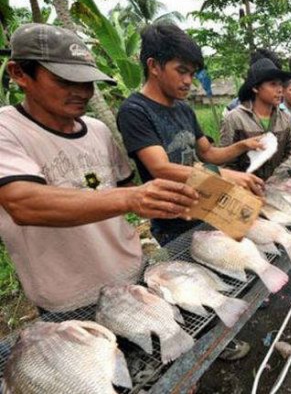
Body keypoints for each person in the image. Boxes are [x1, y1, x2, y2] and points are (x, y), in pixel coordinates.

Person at [0, 23, 199, 314]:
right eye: (65, 80)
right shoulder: (8, 129)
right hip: (70, 298)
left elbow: (123, 195)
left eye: (87, 82)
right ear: (19, 74)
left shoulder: (97, 130)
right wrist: (134, 198)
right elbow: (22, 202)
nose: (82, 92)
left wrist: (168, 202)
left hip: (132, 273)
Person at [117, 23, 262, 361]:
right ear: (153, 65)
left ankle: (228, 318)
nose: (188, 81)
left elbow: (208, 154)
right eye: (181, 71)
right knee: (190, 282)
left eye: (192, 73)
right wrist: (225, 176)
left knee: (221, 266)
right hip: (171, 216)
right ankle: (211, 345)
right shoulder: (134, 111)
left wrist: (241, 145)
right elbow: (161, 168)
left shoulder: (183, 108)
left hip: (207, 206)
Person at [220, 58, 291, 180]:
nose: (279, 90)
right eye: (273, 84)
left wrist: (277, 176)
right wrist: (244, 181)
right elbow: (225, 160)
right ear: (256, 88)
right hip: (245, 189)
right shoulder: (234, 118)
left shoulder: (285, 118)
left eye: (280, 84)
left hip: (277, 186)